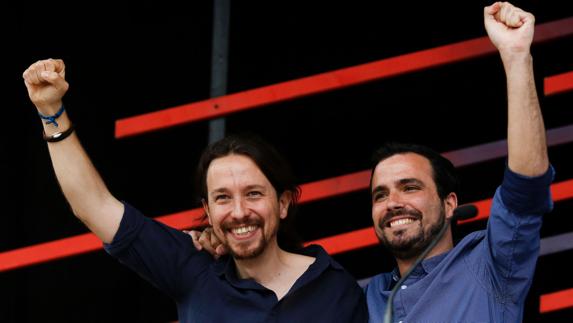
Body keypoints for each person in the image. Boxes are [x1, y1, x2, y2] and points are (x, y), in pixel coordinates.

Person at [190, 2, 554, 322]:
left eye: (410, 187)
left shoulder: (490, 265)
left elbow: (526, 186)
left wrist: (517, 57)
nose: (393, 202)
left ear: (449, 204)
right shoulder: (363, 298)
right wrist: (226, 243)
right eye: (380, 195)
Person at [23, 69, 368, 321]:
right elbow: (94, 206)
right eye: (222, 198)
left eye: (253, 194)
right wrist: (50, 111)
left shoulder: (336, 287)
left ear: (283, 203)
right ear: (206, 208)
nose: (238, 211)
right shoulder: (193, 269)